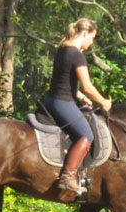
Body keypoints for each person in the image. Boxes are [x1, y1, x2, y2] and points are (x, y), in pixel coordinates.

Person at [42, 18, 112, 195]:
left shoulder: (63, 49)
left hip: (53, 99)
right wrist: (104, 102)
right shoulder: (76, 54)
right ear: (85, 33)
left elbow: (62, 80)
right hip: (62, 102)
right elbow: (88, 86)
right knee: (87, 135)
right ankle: (67, 176)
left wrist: (79, 96)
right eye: (92, 37)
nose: (92, 42)